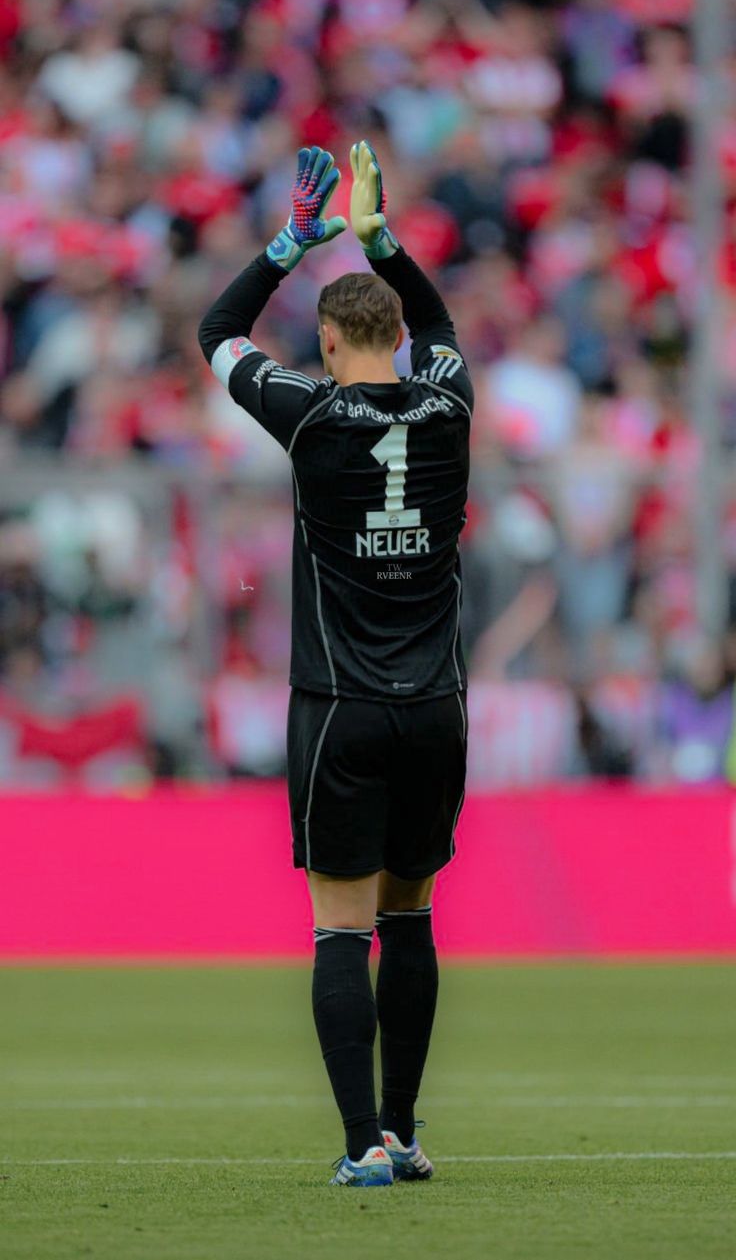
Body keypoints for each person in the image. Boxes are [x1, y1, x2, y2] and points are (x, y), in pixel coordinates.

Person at [198, 141, 473, 1187]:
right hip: (435, 710)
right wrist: (378, 237)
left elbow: (216, 332)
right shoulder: (448, 401)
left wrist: (290, 241)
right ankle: (404, 1131)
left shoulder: (306, 412)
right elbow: (443, 328)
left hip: (340, 711)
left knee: (337, 930)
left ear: (322, 340)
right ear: (397, 339)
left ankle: (359, 1143)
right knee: (412, 915)